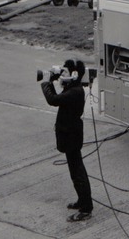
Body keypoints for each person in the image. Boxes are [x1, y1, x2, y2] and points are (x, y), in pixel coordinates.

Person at [40, 59, 93, 222]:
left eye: (65, 72)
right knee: (75, 171)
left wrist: (47, 82)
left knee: (77, 172)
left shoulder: (75, 91)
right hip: (70, 134)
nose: (62, 74)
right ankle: (82, 201)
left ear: (75, 74)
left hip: (72, 136)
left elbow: (53, 100)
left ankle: (85, 209)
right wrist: (60, 79)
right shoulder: (72, 88)